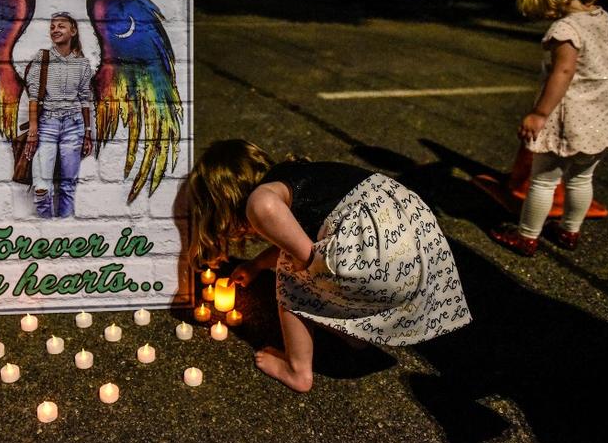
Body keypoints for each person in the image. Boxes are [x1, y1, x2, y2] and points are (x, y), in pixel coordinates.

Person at [188, 140, 471, 392]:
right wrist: (257, 265)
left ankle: (297, 371)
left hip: (375, 249)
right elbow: (301, 238)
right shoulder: (297, 179)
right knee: (311, 258)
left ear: (226, 199)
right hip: (419, 241)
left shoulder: (260, 199)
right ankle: (354, 332)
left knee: (293, 270)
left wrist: (309, 264)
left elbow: (273, 218)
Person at [490, 0, 608, 256]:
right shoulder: (600, 16)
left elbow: (563, 71)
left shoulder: (565, 29)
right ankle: (569, 231)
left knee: (543, 181)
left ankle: (526, 236)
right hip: (600, 120)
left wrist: (539, 113)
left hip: (568, 121)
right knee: (581, 179)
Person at [24, 12, 94, 218]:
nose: (55, 30)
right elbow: (33, 96)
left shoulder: (82, 64)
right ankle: (46, 228)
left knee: (68, 186)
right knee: (42, 187)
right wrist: (33, 130)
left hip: (74, 125)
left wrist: (87, 132)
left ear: (73, 31)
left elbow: (84, 99)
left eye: (61, 26)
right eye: (52, 27)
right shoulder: (43, 58)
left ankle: (64, 228)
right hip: (47, 124)